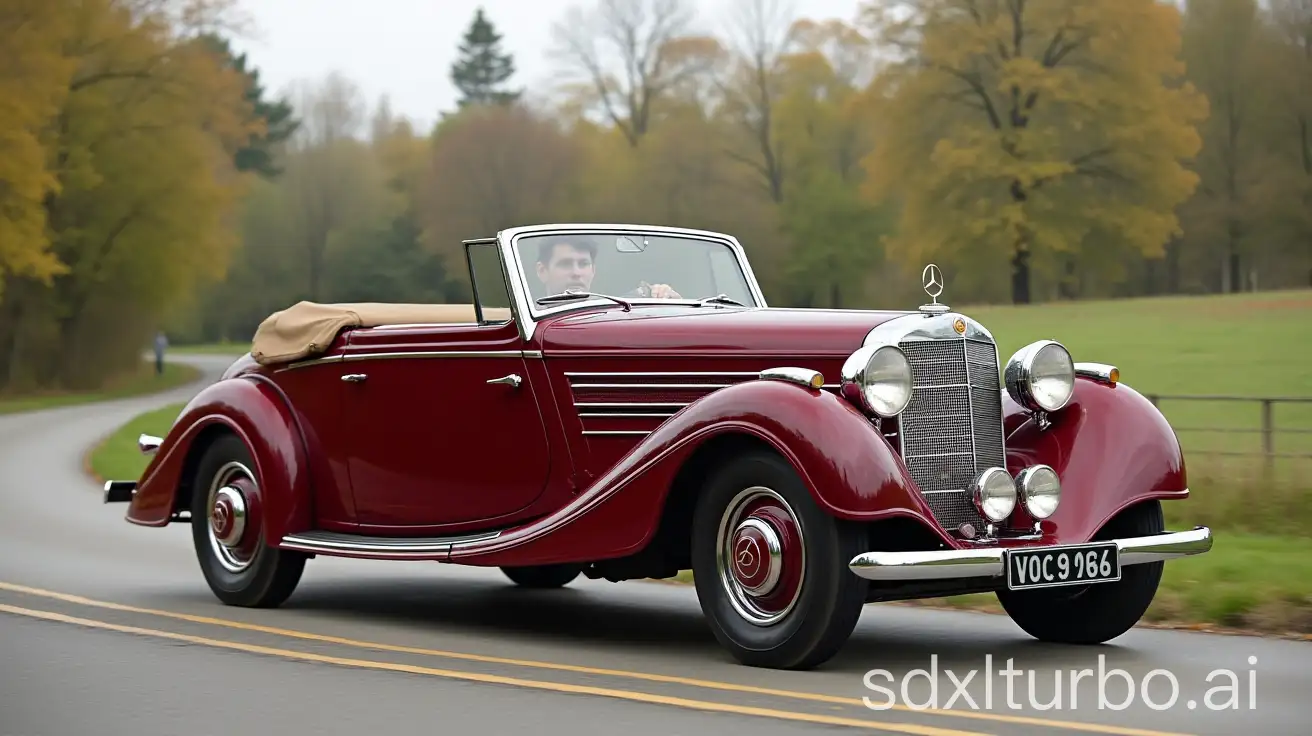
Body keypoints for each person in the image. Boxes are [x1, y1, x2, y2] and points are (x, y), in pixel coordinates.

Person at [534, 239, 681, 299]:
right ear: (542, 271)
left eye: (584, 264)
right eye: (565, 264)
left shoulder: (617, 311)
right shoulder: (526, 319)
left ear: (593, 271)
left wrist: (665, 296)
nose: (576, 273)